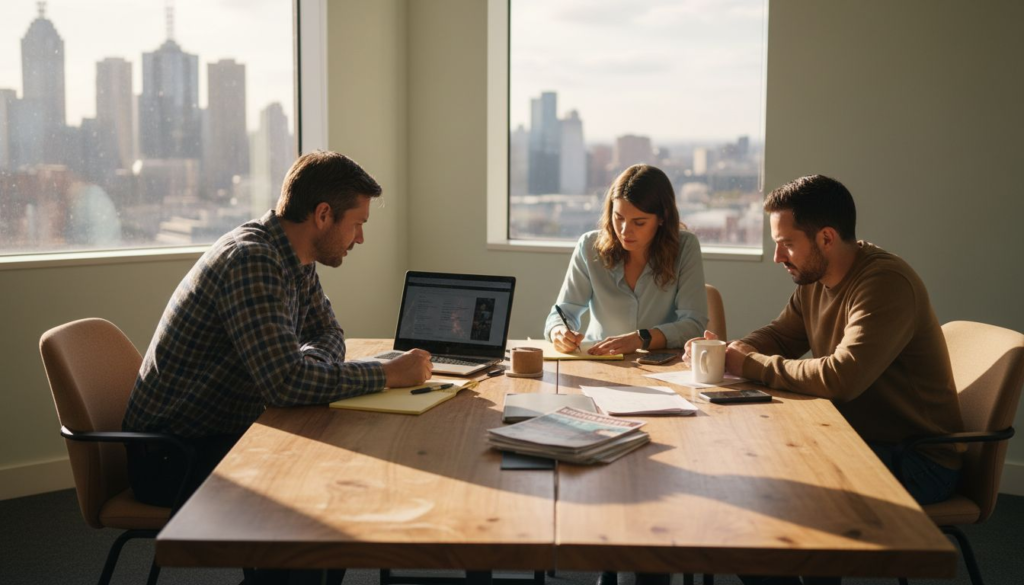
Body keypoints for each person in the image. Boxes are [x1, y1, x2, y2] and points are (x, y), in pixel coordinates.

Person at [122, 151, 432, 584]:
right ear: (323, 215)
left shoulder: (294, 257)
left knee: (334, 486)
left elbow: (330, 337)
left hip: (225, 433)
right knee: (310, 498)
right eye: (357, 223)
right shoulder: (253, 260)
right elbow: (286, 384)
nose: (360, 238)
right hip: (173, 455)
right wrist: (387, 374)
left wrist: (305, 370)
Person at [687, 175, 964, 585]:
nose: (778, 255)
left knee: (758, 500)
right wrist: (729, 350)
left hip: (915, 458)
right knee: (745, 484)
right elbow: (781, 335)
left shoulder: (885, 284)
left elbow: (841, 377)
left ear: (827, 238)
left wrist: (747, 364)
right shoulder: (814, 281)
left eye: (787, 243)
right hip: (853, 440)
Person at [546, 164, 708, 357]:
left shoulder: (685, 247)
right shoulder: (589, 246)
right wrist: (559, 332)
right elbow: (562, 313)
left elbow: (694, 325)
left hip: (661, 366)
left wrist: (642, 338)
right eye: (618, 217)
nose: (624, 231)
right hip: (599, 362)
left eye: (639, 222)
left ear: (662, 218)